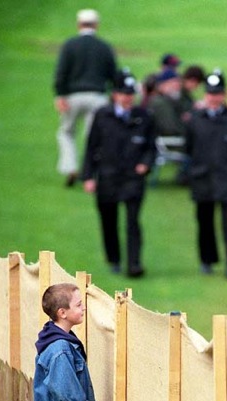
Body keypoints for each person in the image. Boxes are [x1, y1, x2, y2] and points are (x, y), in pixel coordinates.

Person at [82, 69, 156, 277]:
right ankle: (114, 258)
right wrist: (88, 175)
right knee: (108, 219)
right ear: (115, 94)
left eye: (131, 94)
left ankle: (134, 263)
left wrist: (145, 164)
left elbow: (151, 147)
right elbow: (91, 146)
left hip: (133, 177)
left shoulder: (144, 117)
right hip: (108, 176)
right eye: (124, 94)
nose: (128, 98)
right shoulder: (102, 115)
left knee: (133, 221)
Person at [185, 70, 227, 278]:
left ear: (224, 95)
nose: (214, 98)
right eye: (211, 93)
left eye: (218, 93)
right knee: (205, 222)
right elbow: (189, 146)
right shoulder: (195, 118)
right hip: (203, 177)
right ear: (206, 94)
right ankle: (207, 260)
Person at [54, 8, 117, 187]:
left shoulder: (69, 45)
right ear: (96, 25)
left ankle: (70, 166)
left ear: (78, 24)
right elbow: (113, 74)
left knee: (67, 132)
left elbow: (61, 72)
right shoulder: (104, 47)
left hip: (73, 96)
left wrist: (60, 95)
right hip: (98, 97)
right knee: (94, 137)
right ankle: (91, 172)